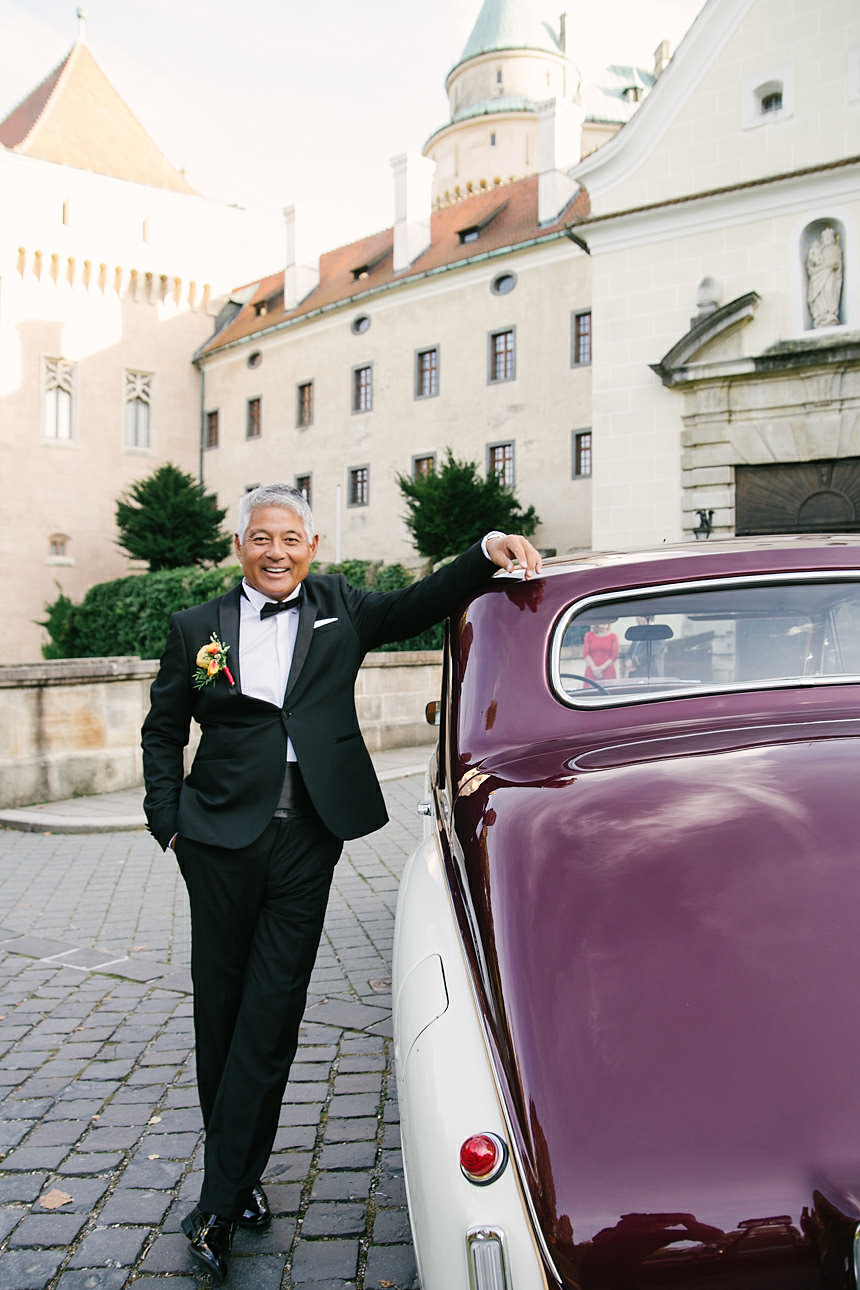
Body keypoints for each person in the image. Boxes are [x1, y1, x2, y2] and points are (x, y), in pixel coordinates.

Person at [141, 482, 541, 1282]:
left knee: (273, 1009)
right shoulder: (195, 629)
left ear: (311, 546)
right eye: (262, 538)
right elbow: (162, 729)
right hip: (216, 843)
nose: (277, 551)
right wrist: (169, 822)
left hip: (309, 838)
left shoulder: (341, 608)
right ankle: (244, 1174)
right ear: (241, 546)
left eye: (291, 538)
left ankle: (217, 1202)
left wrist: (487, 548)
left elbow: (422, 601)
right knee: (219, 1011)